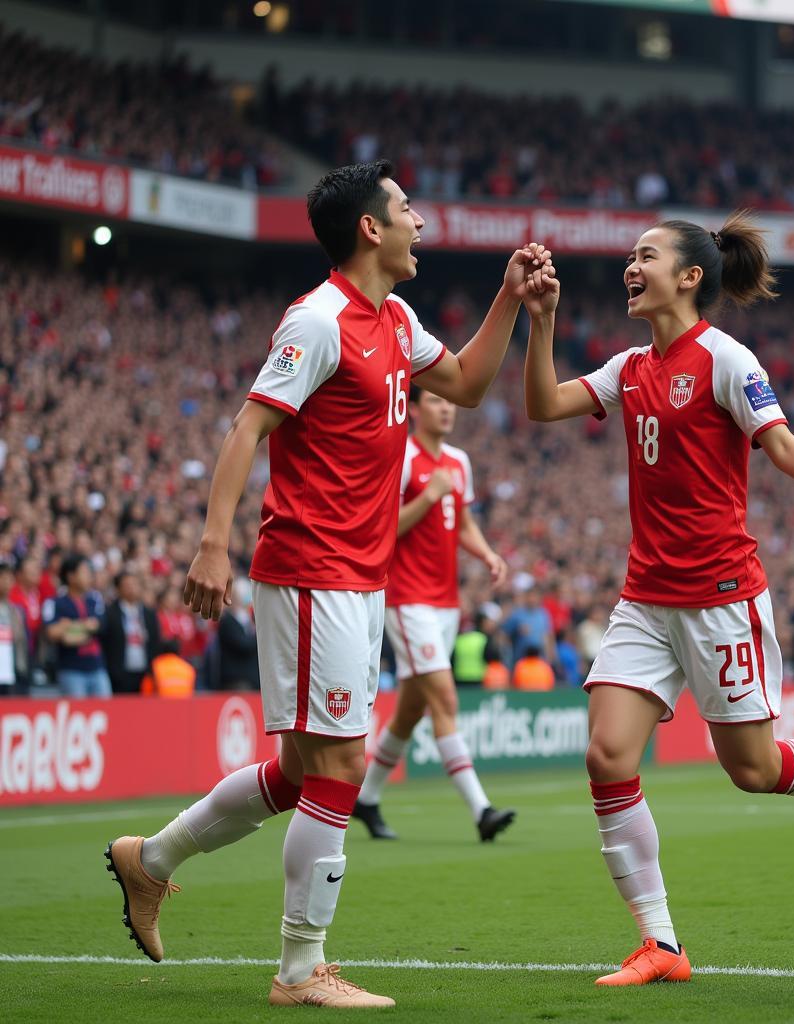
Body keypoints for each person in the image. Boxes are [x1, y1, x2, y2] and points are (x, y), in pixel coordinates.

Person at [105, 159, 556, 1010]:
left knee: (296, 770)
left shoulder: (394, 317)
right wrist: (212, 545)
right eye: (407, 210)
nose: (420, 222)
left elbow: (463, 379)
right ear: (370, 230)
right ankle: (299, 970)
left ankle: (150, 859)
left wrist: (511, 303)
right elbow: (248, 427)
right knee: (340, 763)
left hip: (357, 575)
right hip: (313, 569)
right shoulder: (317, 321)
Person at [524, 211, 794, 988]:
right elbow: (542, 405)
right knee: (605, 754)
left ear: (691, 275)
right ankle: (662, 945)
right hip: (646, 596)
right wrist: (542, 322)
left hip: (721, 596)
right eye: (630, 256)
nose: (631, 267)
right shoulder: (628, 367)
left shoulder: (727, 359)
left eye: (647, 256)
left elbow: (778, 440)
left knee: (754, 769)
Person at [353, 386, 514, 842]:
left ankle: (366, 799)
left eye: (451, 402)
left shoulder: (458, 462)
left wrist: (486, 554)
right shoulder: (402, 456)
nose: (446, 409)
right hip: (407, 599)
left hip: (445, 603)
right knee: (444, 699)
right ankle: (481, 810)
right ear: (416, 407)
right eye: (438, 401)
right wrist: (428, 496)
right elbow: (382, 527)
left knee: (410, 712)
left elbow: (462, 522)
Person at [43, 553, 111, 698]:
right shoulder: (55, 602)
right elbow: (52, 632)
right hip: (71, 670)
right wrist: (85, 627)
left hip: (97, 667)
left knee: (106, 712)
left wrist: (69, 627)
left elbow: (99, 625)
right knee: (77, 715)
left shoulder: (95, 599)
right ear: (71, 576)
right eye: (85, 572)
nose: (89, 576)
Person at [100, 570, 162, 694]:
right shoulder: (110, 613)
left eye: (135, 584)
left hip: (144, 672)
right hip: (119, 673)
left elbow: (155, 641)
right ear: (118, 589)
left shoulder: (149, 613)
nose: (132, 589)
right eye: (127, 585)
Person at [216, 576, 260, 690]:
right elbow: (243, 645)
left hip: (253, 679)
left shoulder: (248, 620)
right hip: (237, 680)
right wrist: (259, 635)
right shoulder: (227, 621)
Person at [0, 558, 30, 697]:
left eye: (10, 577)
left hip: (12, 671)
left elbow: (22, 641)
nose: (7, 581)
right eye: (3, 577)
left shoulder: (17, 611)